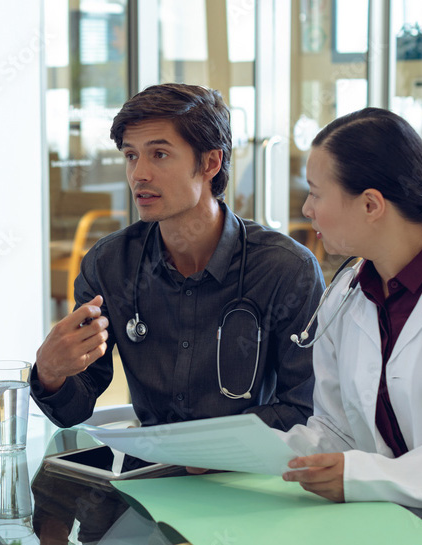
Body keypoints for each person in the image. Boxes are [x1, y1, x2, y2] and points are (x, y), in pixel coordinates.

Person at [31, 83, 324, 430]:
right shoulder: (109, 265)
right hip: (145, 476)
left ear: (210, 162)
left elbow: (304, 408)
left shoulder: (285, 269)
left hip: (246, 474)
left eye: (159, 154)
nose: (139, 173)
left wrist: (211, 449)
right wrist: (50, 373)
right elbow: (74, 409)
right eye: (131, 155)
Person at [279, 107, 422, 508]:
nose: (308, 210)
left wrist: (362, 475)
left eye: (316, 193)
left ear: (371, 205)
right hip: (383, 532)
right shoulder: (346, 295)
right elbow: (339, 433)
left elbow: (359, 468)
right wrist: (235, 453)